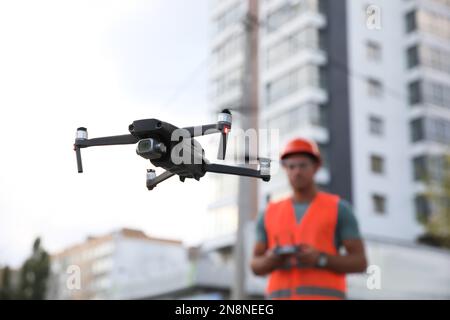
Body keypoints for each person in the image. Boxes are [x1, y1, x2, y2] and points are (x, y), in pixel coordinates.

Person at [250, 138, 368, 300]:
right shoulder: (269, 213)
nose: (297, 171)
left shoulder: (339, 209)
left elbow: (360, 262)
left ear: (316, 167)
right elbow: (255, 265)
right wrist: (271, 260)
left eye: (303, 165)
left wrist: (320, 259)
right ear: (285, 169)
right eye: (291, 166)